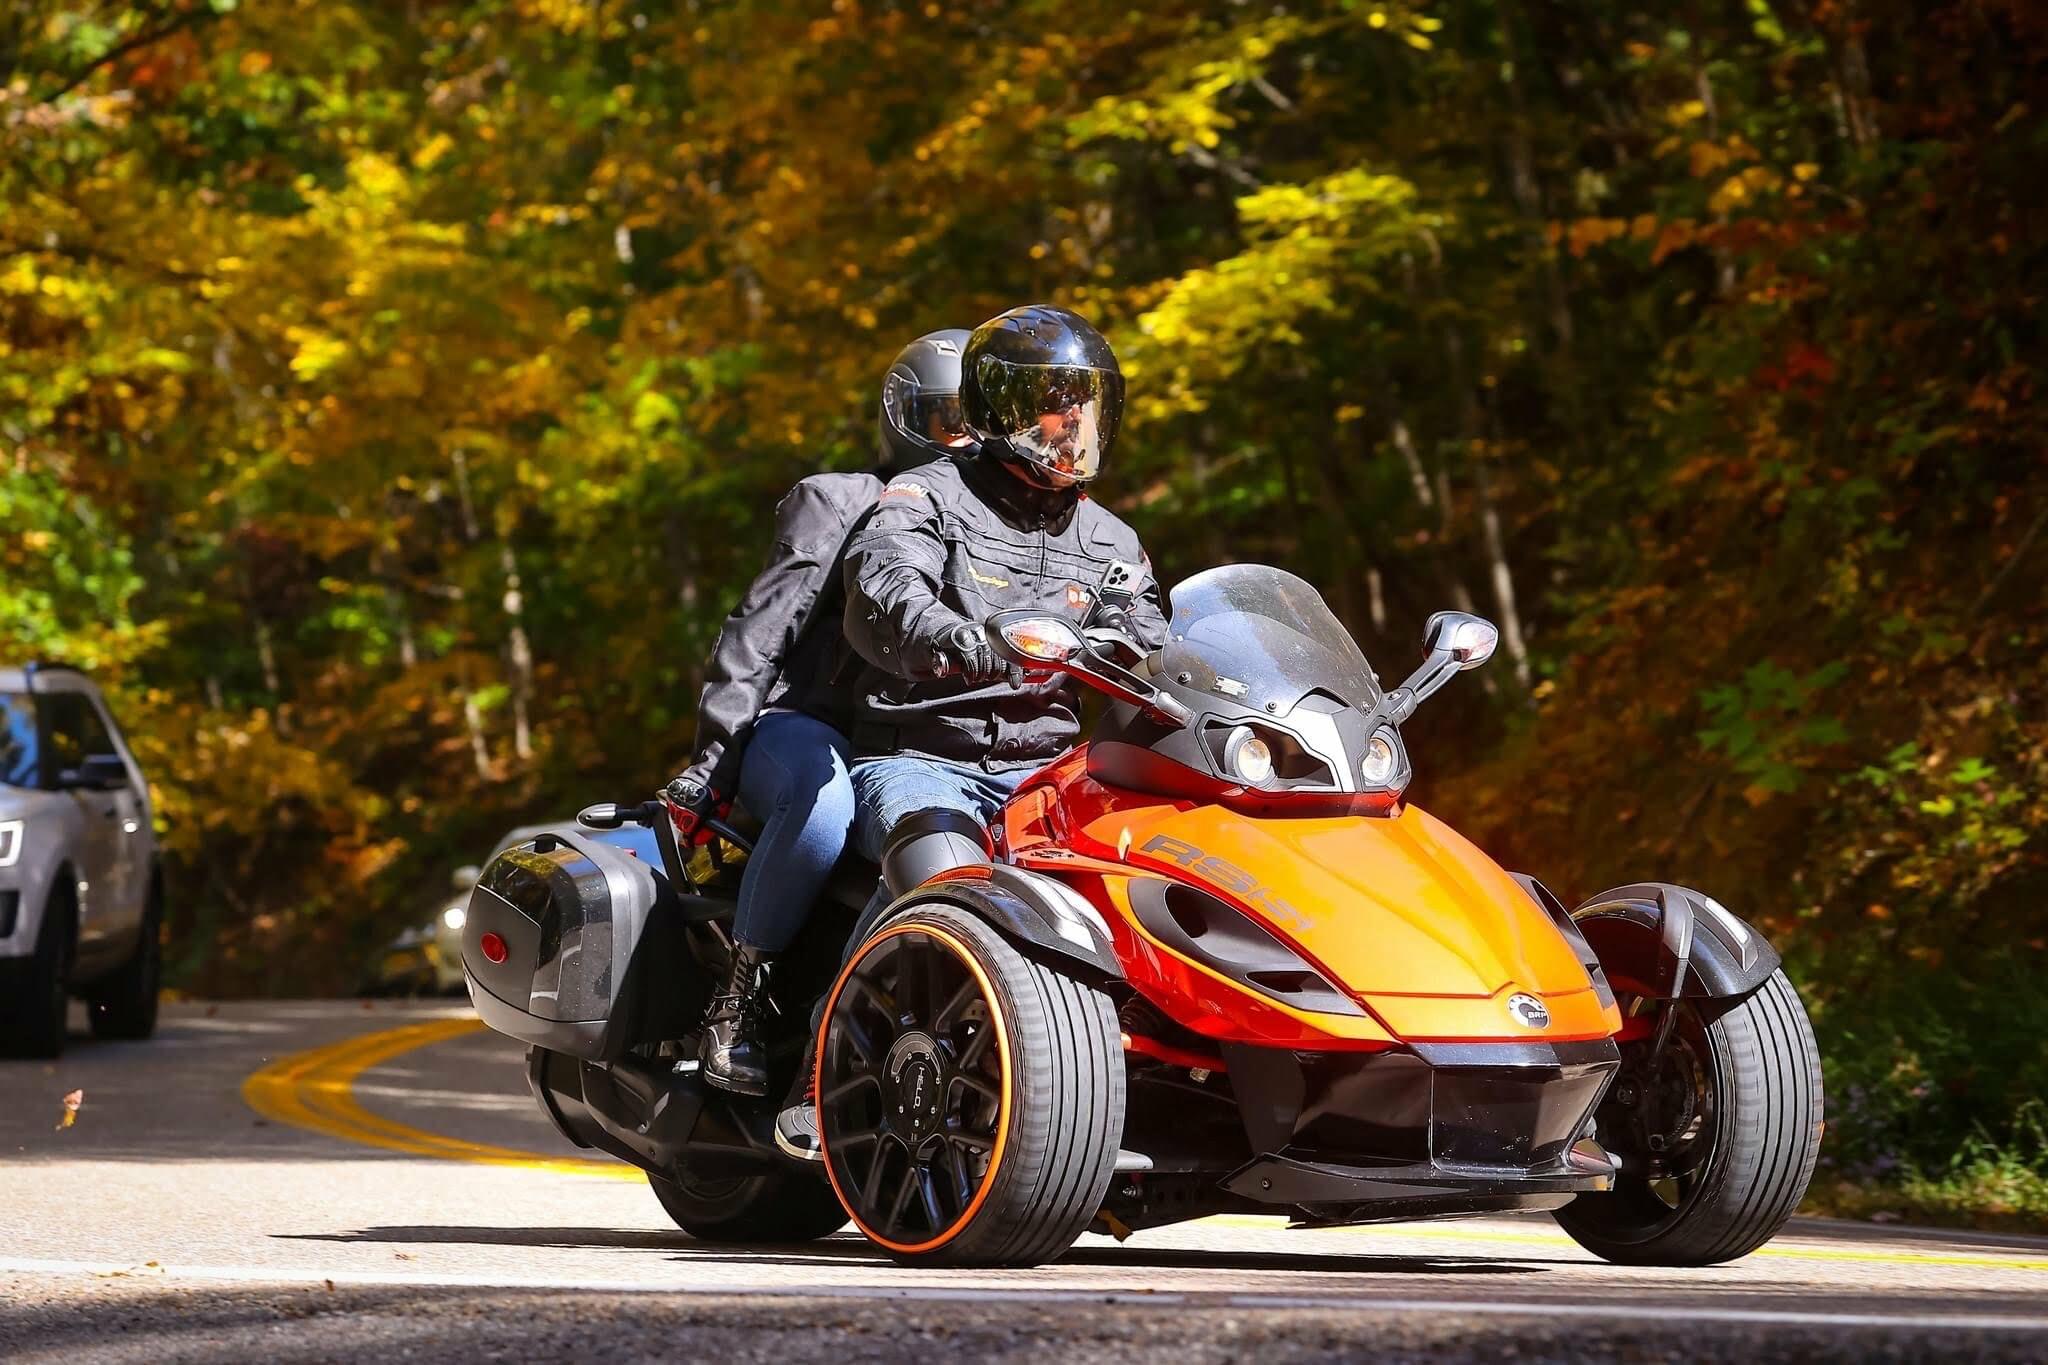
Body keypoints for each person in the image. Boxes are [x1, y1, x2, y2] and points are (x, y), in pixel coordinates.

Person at [772, 304, 1167, 1156]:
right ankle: (821, 1071)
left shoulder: (1111, 537)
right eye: (1058, 405)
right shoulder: (922, 497)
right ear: (1001, 410)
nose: (1075, 426)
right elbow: (887, 597)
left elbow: (1156, 637)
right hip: (925, 758)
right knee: (946, 875)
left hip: (1052, 773)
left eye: (1088, 406)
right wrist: (961, 639)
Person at [661, 328, 975, 1097]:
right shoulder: (840, 500)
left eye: (980, 425)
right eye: (946, 422)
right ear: (903, 419)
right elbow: (759, 632)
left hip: (912, 746)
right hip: (803, 728)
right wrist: (712, 760)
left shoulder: (1003, 526)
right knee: (826, 799)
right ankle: (737, 1001)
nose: (962, 443)